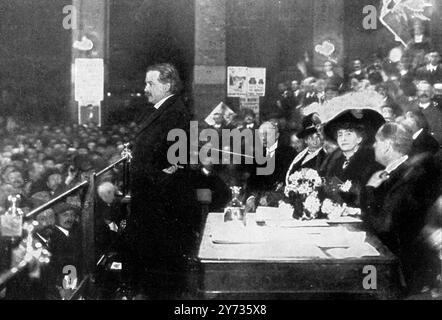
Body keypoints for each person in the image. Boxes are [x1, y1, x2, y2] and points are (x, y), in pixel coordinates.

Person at [126, 63, 198, 299]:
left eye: (150, 83)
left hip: (159, 206)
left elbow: (176, 162)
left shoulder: (174, 113)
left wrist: (153, 181)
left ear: (167, 85)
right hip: (154, 202)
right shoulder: (163, 109)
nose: (145, 88)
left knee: (160, 276)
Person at [360, 123, 441, 295]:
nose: (373, 145)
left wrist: (369, 190)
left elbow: (383, 225)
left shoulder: (410, 175)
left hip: (401, 274)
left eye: (377, 141)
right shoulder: (397, 172)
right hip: (396, 265)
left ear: (388, 145)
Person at [320, 110, 384, 207]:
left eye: (348, 134)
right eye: (340, 134)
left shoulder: (370, 162)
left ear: (359, 138)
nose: (343, 139)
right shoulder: (331, 162)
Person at [285, 114, 327, 185]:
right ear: (305, 140)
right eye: (310, 137)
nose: (314, 141)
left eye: (317, 136)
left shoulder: (325, 155)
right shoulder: (300, 157)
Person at [411, 81, 442, 146]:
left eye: (427, 91)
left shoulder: (438, 114)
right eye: (421, 91)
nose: (423, 93)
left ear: (432, 95)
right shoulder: (410, 107)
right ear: (417, 93)